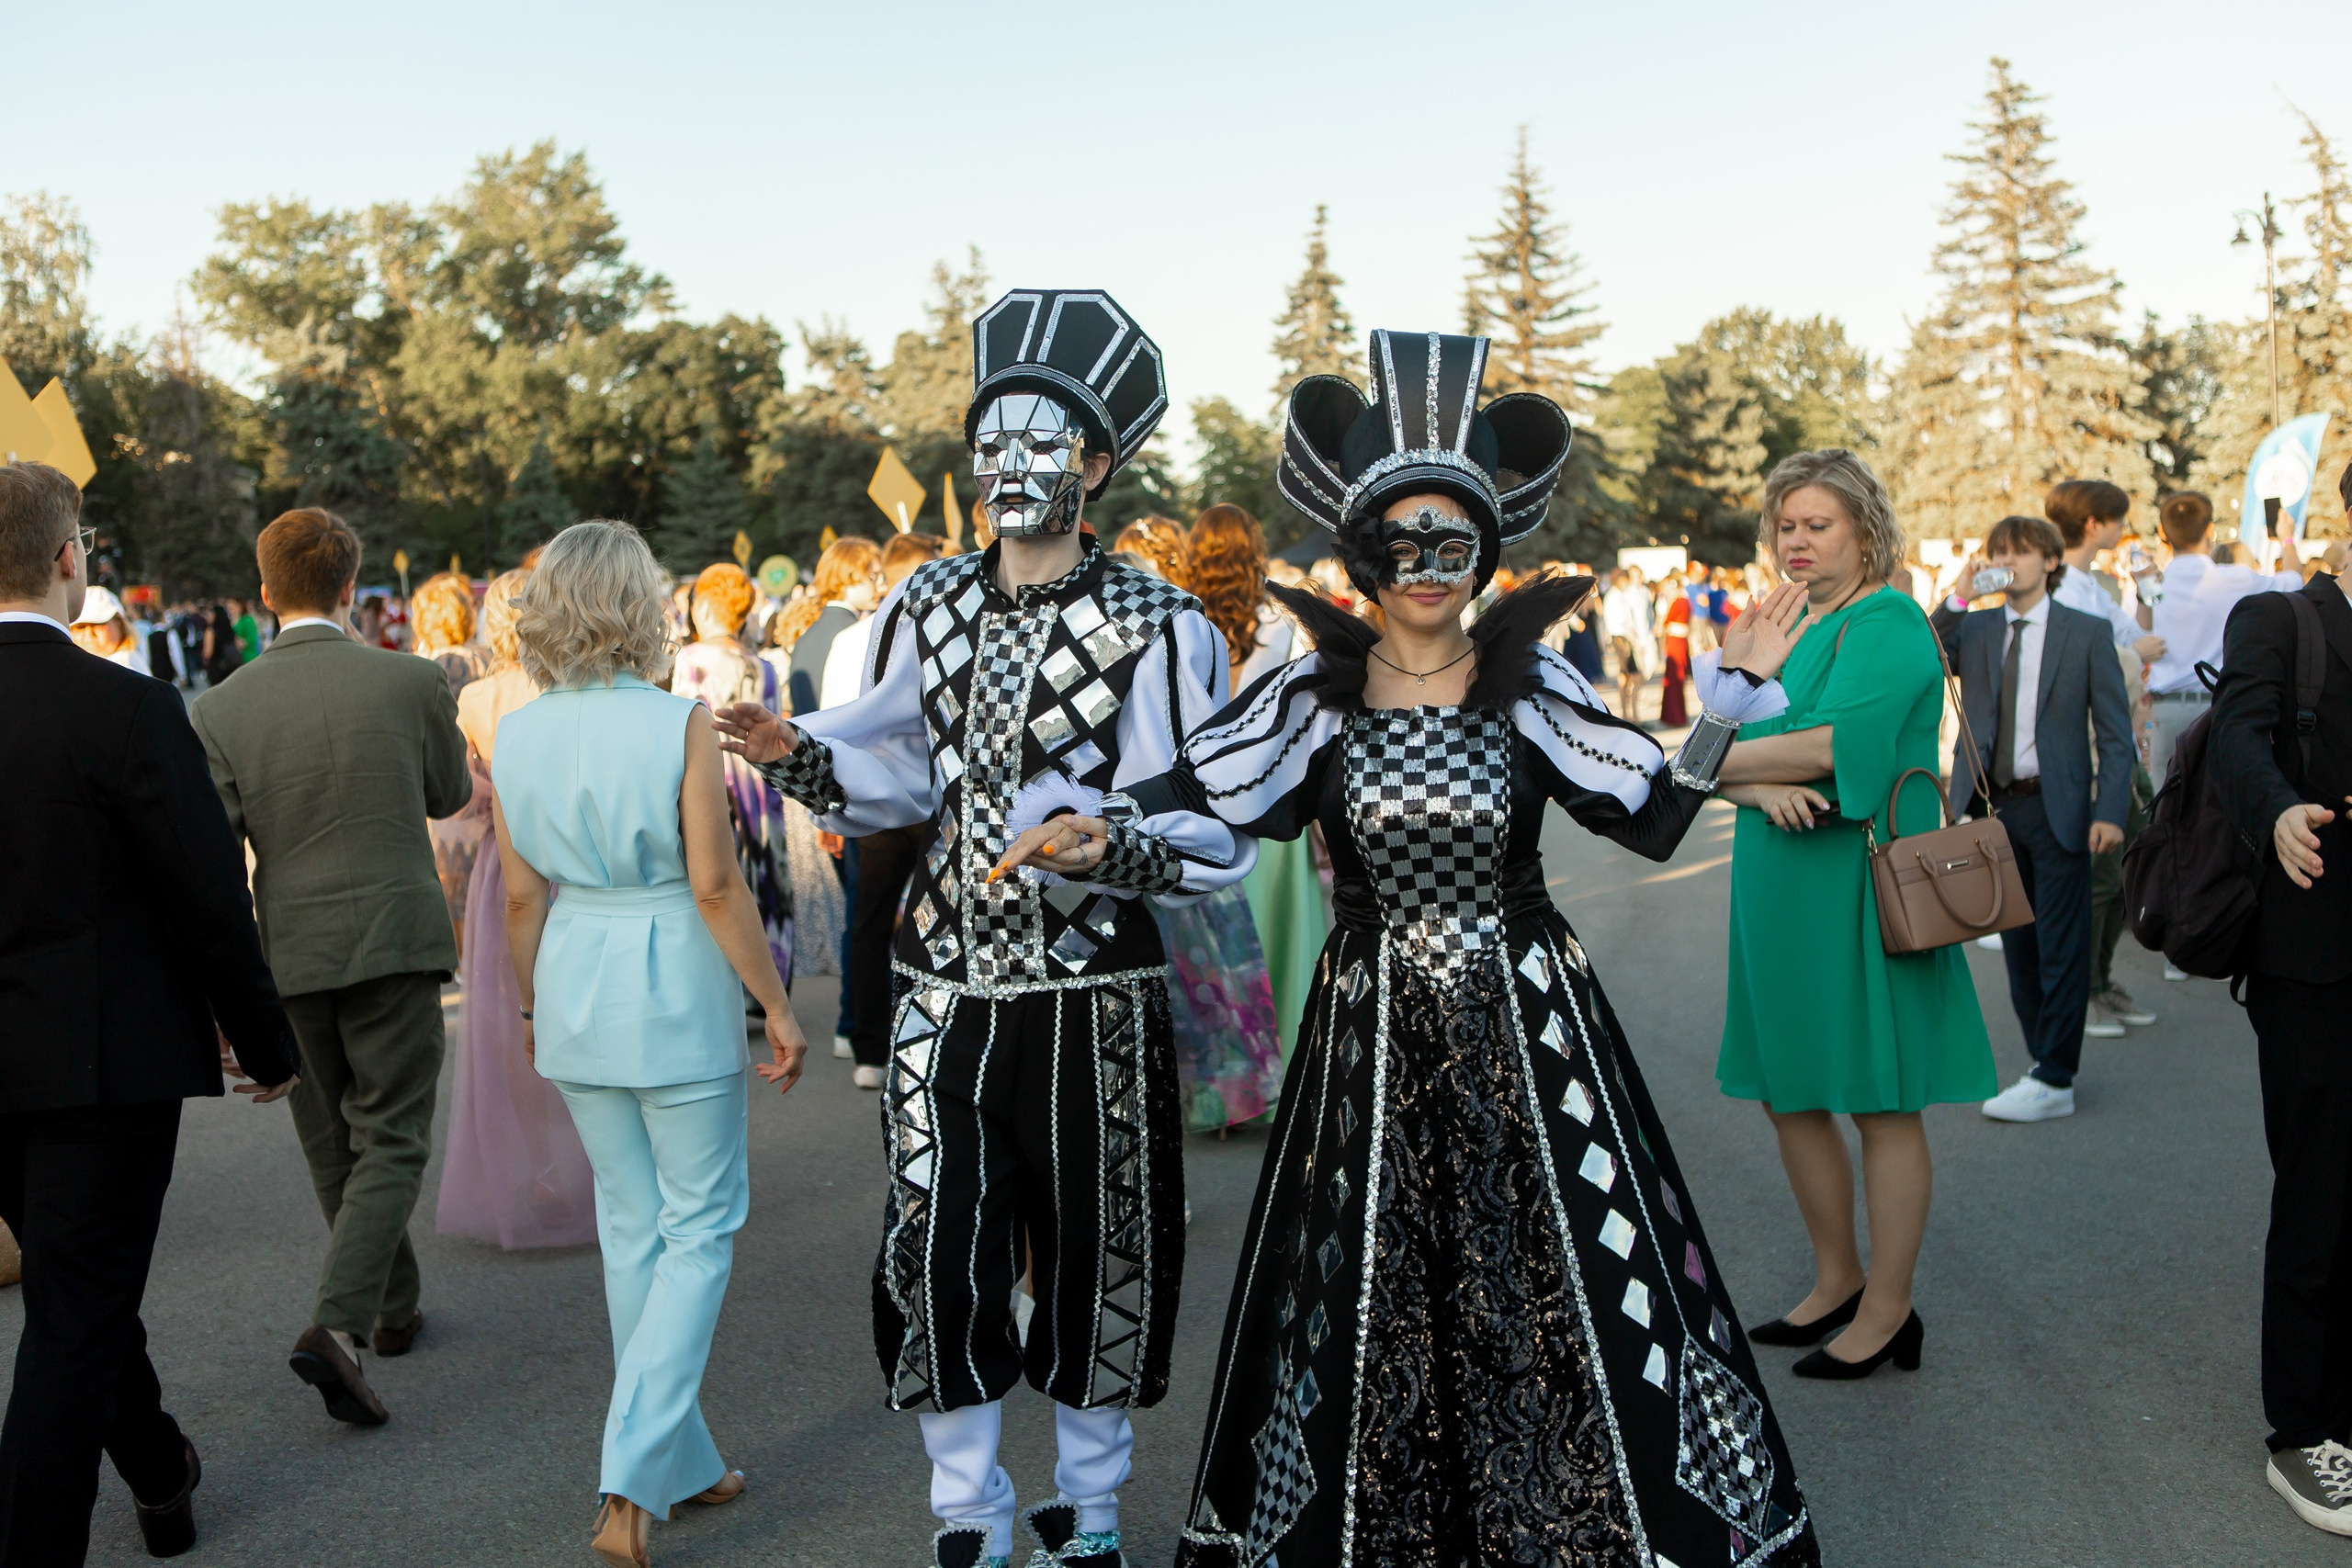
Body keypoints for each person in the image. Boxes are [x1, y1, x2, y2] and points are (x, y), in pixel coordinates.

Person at [1000, 332, 1819, 1567]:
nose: (1426, 569)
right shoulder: (1306, 699)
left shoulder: (1534, 684)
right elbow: (1196, 818)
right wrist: (1094, 844)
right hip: (1366, 1037)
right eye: (1400, 543)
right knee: (1361, 1290)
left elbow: (1649, 819)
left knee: (1562, 1282)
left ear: (1485, 556)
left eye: (1452, 545)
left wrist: (1728, 702)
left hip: (1533, 1033)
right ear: (1362, 556)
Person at [714, 289, 1249, 1568]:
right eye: (991, 446)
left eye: (1041, 444)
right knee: (937, 1240)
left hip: (1092, 998)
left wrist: (1105, 839)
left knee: (1098, 1249)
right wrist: (797, 755)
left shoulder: (1158, 624)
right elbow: (895, 776)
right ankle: (966, 1509)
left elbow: (1213, 827)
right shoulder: (925, 606)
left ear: (1097, 463)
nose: (1010, 469)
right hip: (940, 989)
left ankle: (1092, 1507)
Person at [0, 460, 301, 1563]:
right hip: (102, 1062)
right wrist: (264, 1038)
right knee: (77, 1312)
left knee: (82, 1293)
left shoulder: (134, 704)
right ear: (71, 561)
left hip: (78, 1060)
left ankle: (160, 1465)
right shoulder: (126, 706)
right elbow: (208, 893)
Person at [489, 520, 804, 1565]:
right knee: (700, 1227)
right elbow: (717, 886)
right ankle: (630, 1481)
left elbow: (523, 897)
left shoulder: (520, 731)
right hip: (671, 982)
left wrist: (537, 1009)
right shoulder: (675, 722)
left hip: (577, 980)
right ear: (637, 606)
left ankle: (677, 1458)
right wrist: (779, 1005)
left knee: (635, 1232)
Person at [1716, 448, 1997, 1378]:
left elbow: (1832, 747)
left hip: (1858, 882)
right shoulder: (1779, 622)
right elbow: (1727, 756)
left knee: (1880, 1100)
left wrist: (1713, 761)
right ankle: (1834, 1278)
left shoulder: (1886, 620)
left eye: (1817, 525)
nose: (1795, 541)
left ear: (1864, 530)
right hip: (1774, 877)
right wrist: (1746, 785)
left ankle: (1888, 1306)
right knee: (1786, 1090)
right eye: (1785, 526)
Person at [190, 507, 471, 1427]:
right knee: (391, 1136)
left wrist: (225, 996)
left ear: (265, 593)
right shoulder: (410, 679)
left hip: (292, 945)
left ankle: (391, 1310)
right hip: (395, 933)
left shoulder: (221, 707)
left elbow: (214, 860)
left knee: (330, 1144)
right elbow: (448, 793)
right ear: (352, 587)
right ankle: (345, 1321)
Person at [2210, 461, 2352, 1537]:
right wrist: (2279, 813)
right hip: (2315, 951)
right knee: (2320, 1189)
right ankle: (2303, 1434)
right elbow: (2234, 742)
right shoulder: (2284, 619)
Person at [1934, 516, 2134, 1122]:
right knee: (2018, 946)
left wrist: (2111, 810)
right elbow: (1925, 648)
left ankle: (2056, 1072)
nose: (2008, 561)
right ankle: (2041, 1064)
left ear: (2050, 561)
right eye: (1999, 551)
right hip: (1994, 806)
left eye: (2020, 551)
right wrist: (1960, 590)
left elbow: (2117, 737)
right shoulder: (1978, 625)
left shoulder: (2087, 631)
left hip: (2060, 804)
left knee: (2062, 945)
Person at [435, 566, 598, 1251]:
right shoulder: (579, 690)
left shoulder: (476, 697)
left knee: (511, 1026)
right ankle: (590, 1167)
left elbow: (462, 800)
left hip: (506, 865)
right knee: (587, 1017)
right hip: (579, 861)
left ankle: (540, 1167)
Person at [1114, 512, 1283, 1132]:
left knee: (1194, 972)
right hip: (1231, 798)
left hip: (1186, 808)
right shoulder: (1223, 625)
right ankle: (1227, 1090)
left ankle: (1208, 1094)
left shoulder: (1179, 627)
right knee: (1209, 966)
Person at [1191, 503, 1325, 1077]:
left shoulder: (1182, 622)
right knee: (1280, 942)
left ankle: (1228, 1086)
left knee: (1219, 950)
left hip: (1200, 803)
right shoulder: (1281, 626)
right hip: (1270, 799)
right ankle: (1289, 1073)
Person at [823, 531, 949, 1090]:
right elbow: (827, 722)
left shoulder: (860, 636)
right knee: (899, 921)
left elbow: (827, 722)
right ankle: (885, 1046)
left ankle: (877, 1048)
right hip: (897, 797)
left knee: (883, 921)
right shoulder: (929, 630)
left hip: (900, 797)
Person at [2043, 479, 2164, 1034]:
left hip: (2117, 744)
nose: (2123, 527)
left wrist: (2146, 592)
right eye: (2117, 518)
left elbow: (2141, 638)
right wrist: (2128, 655)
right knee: (2098, 877)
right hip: (2087, 752)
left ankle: (2100, 980)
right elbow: (2077, 663)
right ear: (2094, 522)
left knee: (2126, 868)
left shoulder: (2092, 585)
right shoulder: (2063, 585)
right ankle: (2084, 991)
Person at [766, 536, 884, 1056]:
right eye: (869, 572)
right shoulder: (853, 633)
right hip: (842, 776)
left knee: (856, 906)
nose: (877, 583)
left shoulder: (813, 631)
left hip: (810, 773)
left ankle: (849, 1021)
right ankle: (855, 1023)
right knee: (865, 908)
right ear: (847, 575)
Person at [670, 564, 793, 991]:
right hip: (758, 784)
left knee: (716, 877)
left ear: (702, 605)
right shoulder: (764, 666)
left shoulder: (689, 659)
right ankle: (765, 983)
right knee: (761, 877)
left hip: (712, 778)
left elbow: (681, 727)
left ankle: (723, 982)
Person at [2145, 491, 2302, 784]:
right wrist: (2287, 539)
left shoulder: (2149, 589)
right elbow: (2295, 583)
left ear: (2162, 533)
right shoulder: (2236, 580)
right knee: (2218, 810)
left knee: (2164, 812)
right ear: (2210, 531)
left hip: (2166, 710)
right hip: (2219, 707)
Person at [411, 571, 491, 949]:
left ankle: (464, 959)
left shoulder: (441, 663)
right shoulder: (484, 654)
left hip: (456, 779)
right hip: (487, 772)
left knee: (453, 875)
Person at [1601, 566, 1651, 718]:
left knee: (1627, 675)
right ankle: (1630, 713)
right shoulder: (1615, 596)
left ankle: (1629, 713)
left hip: (1621, 638)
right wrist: (1635, 640)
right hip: (1622, 638)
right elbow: (1622, 622)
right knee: (1632, 675)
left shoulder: (1616, 595)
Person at [66, 584, 145, 671]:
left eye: (98, 624)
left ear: (120, 624)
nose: (89, 633)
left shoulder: (124, 667)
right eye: (80, 627)